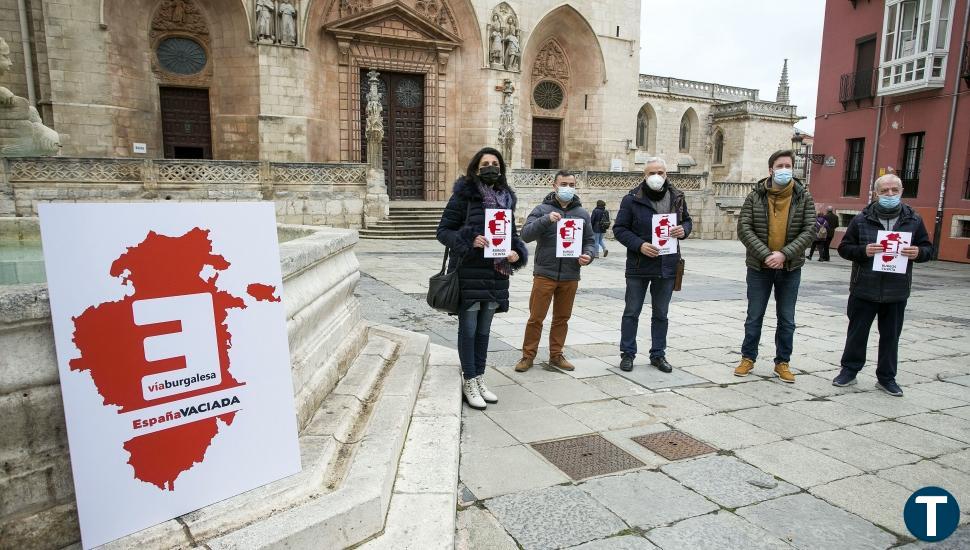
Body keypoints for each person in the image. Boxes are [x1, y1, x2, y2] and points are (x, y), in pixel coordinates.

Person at [437, 147, 528, 410]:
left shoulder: (507, 199)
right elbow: (443, 231)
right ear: (477, 168)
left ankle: (479, 377)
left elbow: (512, 234)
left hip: (496, 274)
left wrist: (515, 252)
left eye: (495, 163)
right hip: (469, 272)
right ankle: (469, 380)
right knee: (468, 330)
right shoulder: (464, 195)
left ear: (500, 168)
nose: (491, 167)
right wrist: (470, 238)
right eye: (485, 163)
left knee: (484, 331)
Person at [833, 174, 933, 396]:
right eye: (884, 190)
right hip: (864, 288)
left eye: (894, 190)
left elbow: (928, 249)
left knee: (891, 336)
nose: (890, 194)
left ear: (901, 191)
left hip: (896, 290)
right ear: (875, 193)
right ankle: (849, 371)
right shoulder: (861, 219)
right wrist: (863, 251)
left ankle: (887, 378)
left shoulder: (914, 220)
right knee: (857, 333)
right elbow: (844, 248)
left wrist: (919, 253)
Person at [734, 150, 816, 383]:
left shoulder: (803, 197)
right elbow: (744, 228)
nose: (784, 169)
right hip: (759, 267)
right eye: (780, 166)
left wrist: (784, 254)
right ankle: (748, 358)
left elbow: (809, 230)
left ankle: (782, 362)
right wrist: (767, 255)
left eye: (788, 165)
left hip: (790, 268)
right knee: (754, 315)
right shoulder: (755, 196)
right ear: (771, 170)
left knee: (787, 318)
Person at [613, 157, 691, 373]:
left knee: (661, 314)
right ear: (644, 175)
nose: (656, 176)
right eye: (651, 173)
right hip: (639, 265)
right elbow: (619, 229)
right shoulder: (631, 199)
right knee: (631, 312)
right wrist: (640, 245)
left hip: (667, 265)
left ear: (666, 174)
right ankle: (627, 354)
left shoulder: (677, 197)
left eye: (660, 172)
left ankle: (658, 354)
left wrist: (684, 230)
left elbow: (687, 221)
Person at [514, 170, 595, 373]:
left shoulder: (582, 214)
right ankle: (527, 356)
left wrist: (589, 255)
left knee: (562, 318)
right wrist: (546, 219)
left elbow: (590, 241)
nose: (567, 188)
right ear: (554, 186)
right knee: (536, 318)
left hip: (570, 275)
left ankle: (556, 355)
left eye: (571, 184)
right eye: (564, 184)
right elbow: (525, 235)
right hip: (545, 273)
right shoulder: (542, 209)